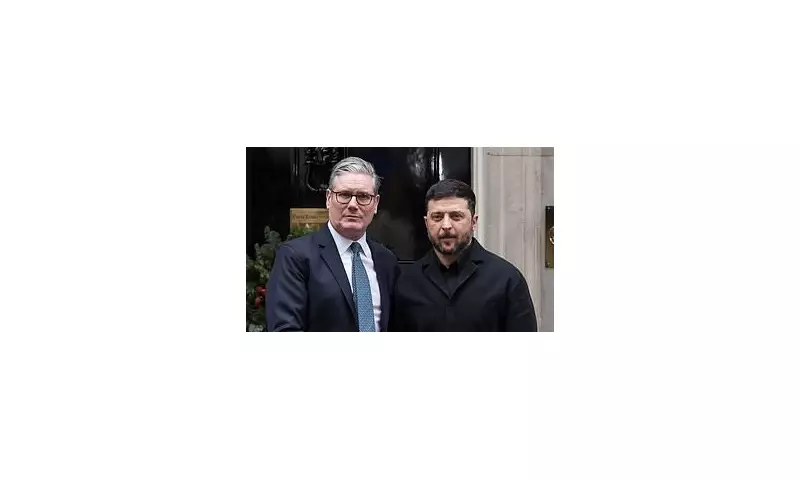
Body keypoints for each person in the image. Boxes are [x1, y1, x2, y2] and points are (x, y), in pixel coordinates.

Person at [266, 157, 399, 331]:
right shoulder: (295, 257)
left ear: (375, 204)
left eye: (363, 196)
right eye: (344, 195)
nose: (353, 205)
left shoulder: (386, 261)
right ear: (328, 198)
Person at [390, 179, 537, 331]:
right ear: (427, 223)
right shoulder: (407, 282)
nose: (446, 226)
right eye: (437, 217)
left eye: (456, 216)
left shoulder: (507, 280)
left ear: (474, 222)